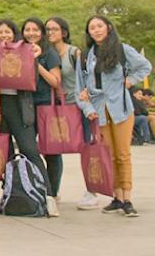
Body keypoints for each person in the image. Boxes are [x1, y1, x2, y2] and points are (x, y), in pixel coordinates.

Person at [77, 15, 152, 218]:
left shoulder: (122, 50)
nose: (96, 30)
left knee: (122, 154)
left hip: (120, 108)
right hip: (99, 110)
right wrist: (87, 107)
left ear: (108, 28)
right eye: (92, 27)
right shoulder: (85, 56)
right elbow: (79, 88)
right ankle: (116, 197)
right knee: (108, 156)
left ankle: (127, 198)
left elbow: (145, 66)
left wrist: (130, 81)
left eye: (100, 26)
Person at [0, 19, 53, 216]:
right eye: (0, 32)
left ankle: (47, 195)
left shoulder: (24, 49)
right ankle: (9, 195)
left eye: (8, 32)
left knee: (30, 149)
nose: (4, 36)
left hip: (20, 104)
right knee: (3, 153)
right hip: (0, 104)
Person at [45, 17, 99, 210]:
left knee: (86, 147)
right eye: (48, 29)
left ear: (64, 32)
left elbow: (87, 76)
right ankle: (53, 191)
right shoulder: (43, 53)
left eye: (54, 29)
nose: (50, 32)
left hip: (77, 106)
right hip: (55, 108)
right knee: (52, 150)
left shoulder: (73, 52)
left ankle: (91, 191)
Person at [22, 17, 62, 216]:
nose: (31, 33)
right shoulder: (20, 51)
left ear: (42, 33)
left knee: (52, 152)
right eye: (27, 30)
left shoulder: (49, 53)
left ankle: (52, 193)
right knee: (30, 149)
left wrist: (36, 62)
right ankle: (36, 189)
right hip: (27, 105)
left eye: (35, 30)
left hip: (46, 105)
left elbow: (55, 81)